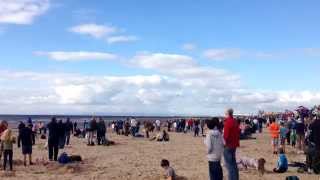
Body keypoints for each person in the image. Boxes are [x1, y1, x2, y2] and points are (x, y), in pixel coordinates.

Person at [223, 108, 240, 180]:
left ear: (227, 113)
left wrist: (223, 143)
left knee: (229, 165)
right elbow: (238, 131)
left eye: (225, 113)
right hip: (234, 144)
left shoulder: (228, 122)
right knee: (233, 163)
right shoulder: (235, 121)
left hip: (228, 145)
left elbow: (226, 135)